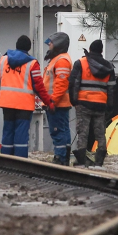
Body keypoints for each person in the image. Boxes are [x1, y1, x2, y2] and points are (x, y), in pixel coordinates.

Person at [0, 36, 54, 158]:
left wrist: (0, 97)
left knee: (8, 132)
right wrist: (49, 102)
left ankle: (5, 161)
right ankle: (20, 163)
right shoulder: (32, 63)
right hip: (24, 105)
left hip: (6, 102)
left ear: (16, 45)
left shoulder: (3, 60)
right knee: (21, 134)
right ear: (29, 48)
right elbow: (39, 86)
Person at [70, 40, 115, 167]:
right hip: (100, 104)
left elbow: (73, 83)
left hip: (83, 103)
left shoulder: (81, 63)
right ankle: (99, 161)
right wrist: (110, 106)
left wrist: (74, 100)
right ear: (101, 51)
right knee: (100, 133)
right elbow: (111, 89)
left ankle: (81, 161)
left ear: (89, 49)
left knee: (82, 133)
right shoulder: (109, 67)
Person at [43, 32, 73, 165]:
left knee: (57, 131)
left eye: (51, 42)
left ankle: (60, 158)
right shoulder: (59, 59)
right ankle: (64, 157)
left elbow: (61, 83)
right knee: (63, 130)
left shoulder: (61, 60)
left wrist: (52, 101)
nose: (49, 45)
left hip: (57, 103)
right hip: (58, 102)